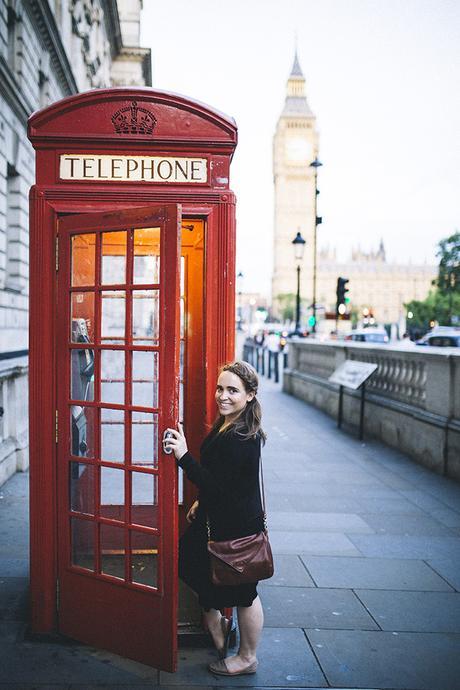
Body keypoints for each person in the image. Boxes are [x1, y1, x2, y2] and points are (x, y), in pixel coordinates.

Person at [164, 360, 267, 677]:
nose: (223, 396)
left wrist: (183, 457)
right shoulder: (228, 423)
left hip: (237, 529)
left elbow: (219, 485)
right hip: (215, 519)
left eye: (233, 390)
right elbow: (219, 481)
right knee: (187, 563)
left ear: (250, 395)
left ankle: (248, 657)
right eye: (220, 388)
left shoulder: (242, 438)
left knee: (245, 596)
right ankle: (215, 620)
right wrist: (201, 502)